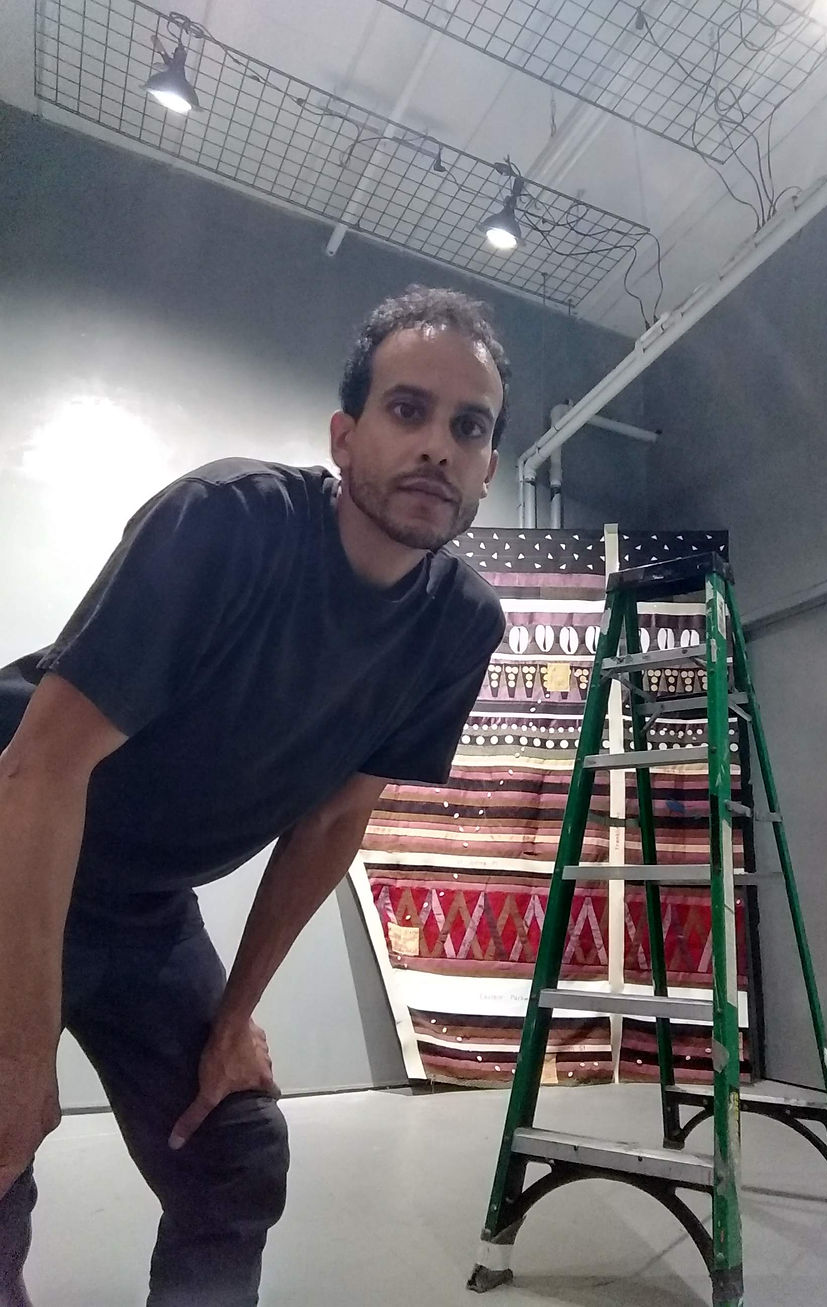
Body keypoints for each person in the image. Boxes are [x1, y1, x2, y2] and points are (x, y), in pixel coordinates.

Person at [0, 285, 508, 1307]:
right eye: (406, 409)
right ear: (343, 433)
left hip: (145, 910)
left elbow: (331, 819)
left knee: (232, 1148)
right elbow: (40, 769)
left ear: (488, 465)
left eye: (469, 426)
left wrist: (234, 1017)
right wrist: (18, 1051)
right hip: (18, 845)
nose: (438, 447)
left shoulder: (459, 624)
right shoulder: (223, 524)